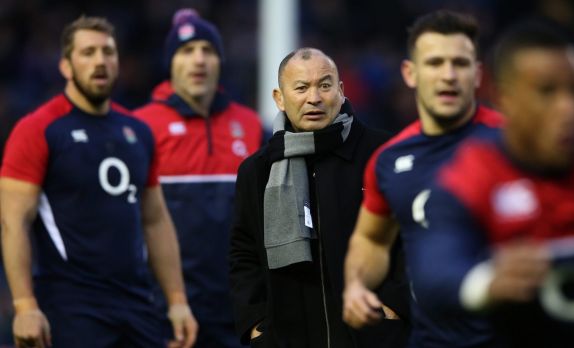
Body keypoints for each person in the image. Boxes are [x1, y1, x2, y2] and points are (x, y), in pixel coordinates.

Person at [398, 20, 574, 348]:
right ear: (503, 98)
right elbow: (433, 268)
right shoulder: (474, 175)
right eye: (547, 92)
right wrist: (485, 281)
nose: (569, 108)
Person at [0, 16, 197, 348]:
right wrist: (24, 306)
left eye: (108, 52)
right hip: (70, 307)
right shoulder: (38, 129)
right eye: (88, 52)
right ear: (65, 65)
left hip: (137, 305)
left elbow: (156, 220)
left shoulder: (138, 132)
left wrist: (177, 300)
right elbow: (12, 222)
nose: (100, 62)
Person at [229, 47, 411, 348]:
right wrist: (256, 326)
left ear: (340, 91)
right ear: (279, 98)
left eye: (324, 85)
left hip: (373, 336)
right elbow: (243, 253)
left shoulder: (382, 155)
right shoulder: (256, 170)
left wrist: (394, 306)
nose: (314, 98)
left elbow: (410, 238)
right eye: (301, 88)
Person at [342, 10, 503, 347]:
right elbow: (371, 240)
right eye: (434, 63)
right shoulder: (388, 161)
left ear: (477, 74)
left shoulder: (513, 143)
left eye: (460, 63)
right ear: (410, 73)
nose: (448, 75)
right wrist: (356, 286)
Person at [133, 8, 263, 348]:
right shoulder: (139, 128)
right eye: (187, 51)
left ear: (220, 61)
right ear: (170, 62)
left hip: (235, 306)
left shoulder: (251, 126)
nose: (199, 60)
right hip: (162, 307)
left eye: (207, 50)